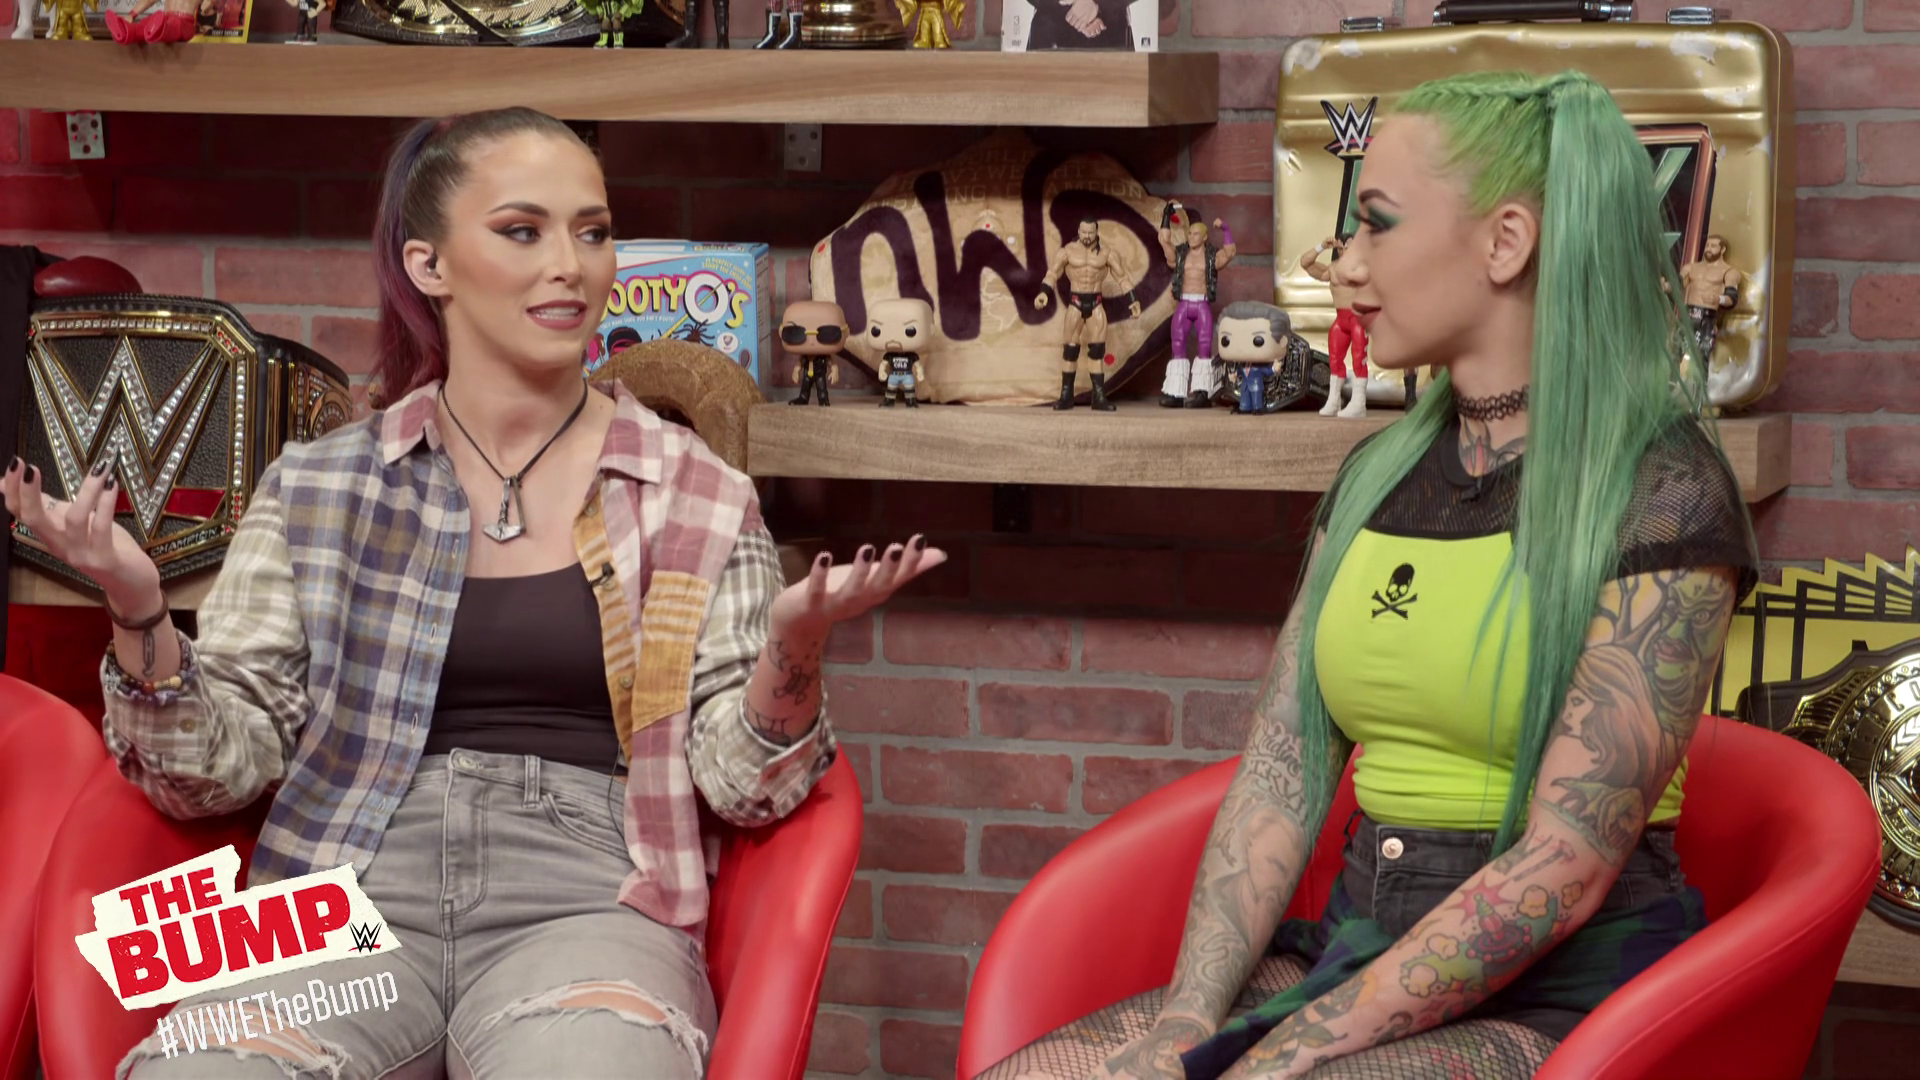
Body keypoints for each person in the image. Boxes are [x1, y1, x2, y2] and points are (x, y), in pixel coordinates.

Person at [3, 106, 943, 1079]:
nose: (570, 265)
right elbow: (210, 775)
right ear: (429, 264)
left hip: (591, 895)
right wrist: (139, 610)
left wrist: (793, 647)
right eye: (522, 231)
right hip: (339, 887)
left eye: (592, 231)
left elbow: (748, 792)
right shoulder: (321, 488)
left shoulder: (696, 494)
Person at [975, 69, 1755, 1080]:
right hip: (1357, 948)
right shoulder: (1376, 475)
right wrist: (1186, 1023)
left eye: (1377, 225)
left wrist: (1289, 1052)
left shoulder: (1666, 488)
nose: (1343, 264)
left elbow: (1564, 865)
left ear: (1505, 242)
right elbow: (1280, 773)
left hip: (1569, 991)